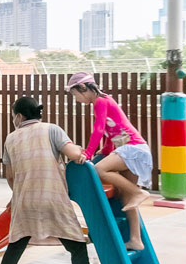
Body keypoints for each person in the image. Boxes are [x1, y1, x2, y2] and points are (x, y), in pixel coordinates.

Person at [0, 97, 115, 264]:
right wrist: (79, 150)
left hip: (25, 201)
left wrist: (18, 195)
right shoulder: (52, 130)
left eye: (13, 116)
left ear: (19, 116)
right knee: (77, 248)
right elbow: (75, 155)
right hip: (53, 198)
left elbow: (10, 177)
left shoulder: (10, 138)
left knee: (16, 244)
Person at [65, 73, 152, 250]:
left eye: (75, 94)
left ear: (83, 88)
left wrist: (88, 153)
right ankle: (136, 239)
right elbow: (111, 130)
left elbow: (98, 129)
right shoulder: (105, 100)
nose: (76, 99)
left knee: (99, 169)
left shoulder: (100, 102)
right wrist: (105, 150)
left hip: (133, 149)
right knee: (126, 198)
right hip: (134, 149)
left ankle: (138, 192)